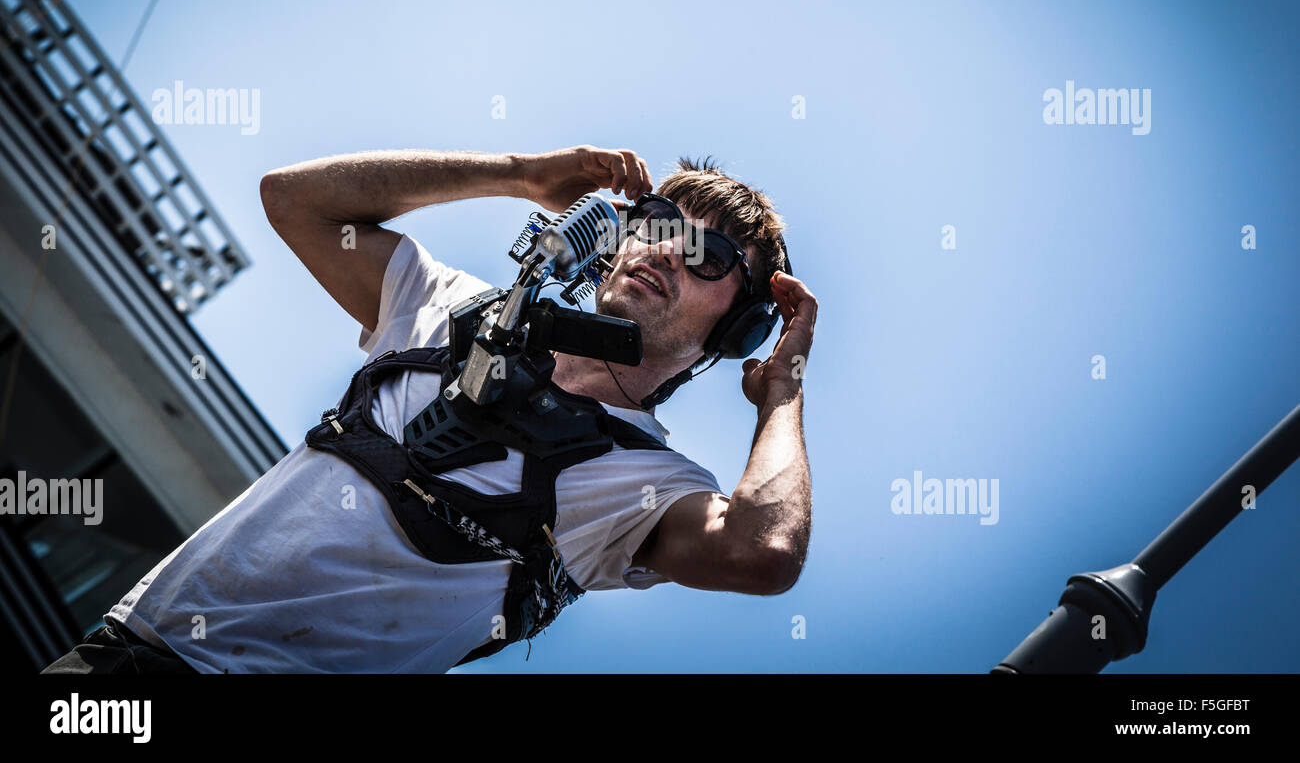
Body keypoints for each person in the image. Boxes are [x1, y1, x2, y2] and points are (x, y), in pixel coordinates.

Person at [42, 145, 816, 674]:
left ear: (738, 326)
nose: (662, 252)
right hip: (124, 663)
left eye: (706, 259)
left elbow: (761, 552)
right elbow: (295, 200)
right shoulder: (452, 309)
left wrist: (783, 390)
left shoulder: (644, 481)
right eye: (655, 226)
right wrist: (520, 173)